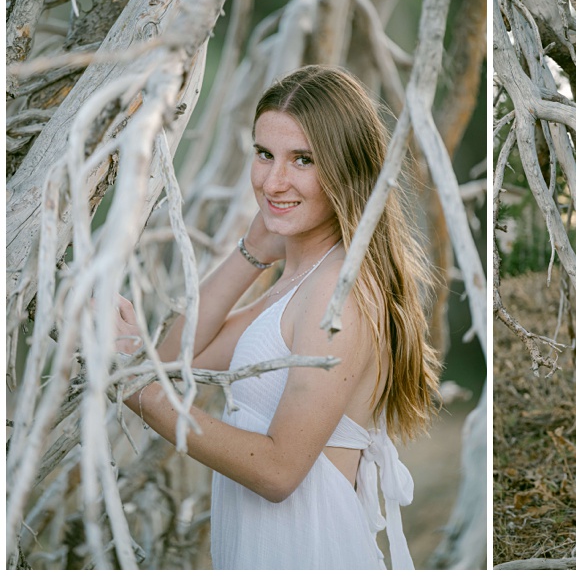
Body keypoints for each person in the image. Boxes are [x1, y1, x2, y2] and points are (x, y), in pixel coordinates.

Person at [115, 65, 441, 569]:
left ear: (348, 169)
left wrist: (144, 395)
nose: (273, 181)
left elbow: (279, 471)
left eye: (303, 160)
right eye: (264, 154)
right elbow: (178, 360)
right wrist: (251, 251)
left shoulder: (339, 292)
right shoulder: (304, 279)